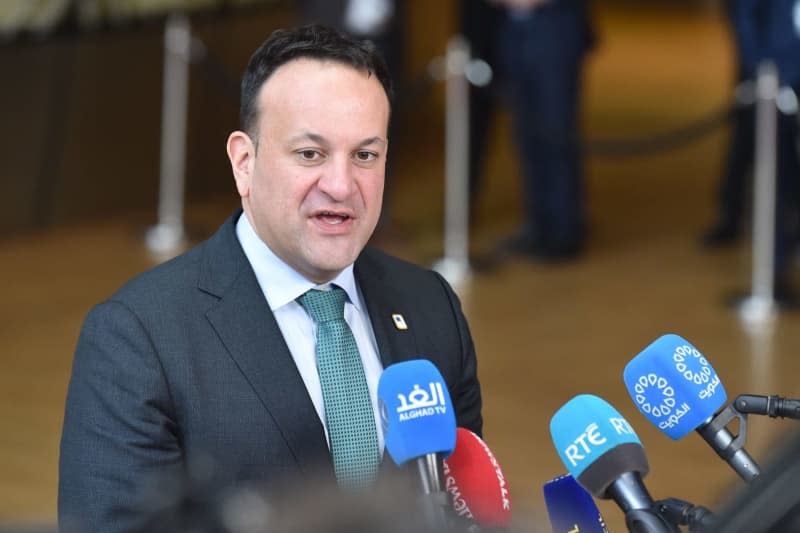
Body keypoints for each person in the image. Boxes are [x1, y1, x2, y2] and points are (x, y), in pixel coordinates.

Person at [58, 24, 483, 533]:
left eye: (365, 155)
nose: (342, 185)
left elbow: (468, 509)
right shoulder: (138, 338)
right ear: (244, 162)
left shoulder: (430, 305)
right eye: (310, 154)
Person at [704, 0, 800, 303]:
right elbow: (747, 16)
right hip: (777, 85)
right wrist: (764, 71)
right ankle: (774, 273)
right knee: (777, 182)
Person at [492, 0, 595, 262]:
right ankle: (537, 222)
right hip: (513, 28)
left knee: (556, 129)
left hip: (555, 26)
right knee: (526, 134)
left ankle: (564, 228)